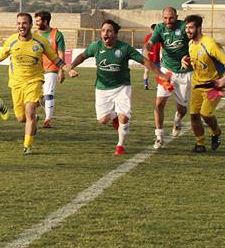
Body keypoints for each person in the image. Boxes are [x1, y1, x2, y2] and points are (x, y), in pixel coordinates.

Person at [67, 19, 168, 156]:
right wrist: (71, 67)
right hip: (102, 88)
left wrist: (160, 74)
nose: (105, 33)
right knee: (102, 120)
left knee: (124, 118)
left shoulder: (124, 48)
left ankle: (120, 146)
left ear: (115, 34)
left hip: (122, 87)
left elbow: (144, 60)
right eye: (103, 31)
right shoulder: (96, 46)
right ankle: (115, 115)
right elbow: (82, 56)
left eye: (109, 31)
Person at [0, 13, 70, 154]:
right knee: (21, 118)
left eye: (24, 23)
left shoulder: (41, 42)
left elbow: (55, 59)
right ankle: (34, 120)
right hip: (16, 83)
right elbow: (0, 56)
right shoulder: (12, 41)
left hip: (34, 81)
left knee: (30, 111)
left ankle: (27, 146)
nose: (21, 26)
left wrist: (68, 69)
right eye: (19, 23)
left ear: (31, 25)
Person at [183, 14, 225, 153]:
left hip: (212, 86)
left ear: (199, 28)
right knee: (194, 115)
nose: (188, 30)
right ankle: (200, 143)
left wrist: (223, 80)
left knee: (205, 114)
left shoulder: (210, 44)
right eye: (186, 27)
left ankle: (216, 132)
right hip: (197, 85)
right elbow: (196, 60)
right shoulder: (190, 44)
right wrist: (186, 60)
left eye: (191, 27)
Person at [145, 7, 192, 149]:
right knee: (159, 103)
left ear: (176, 17)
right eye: (165, 18)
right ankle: (159, 136)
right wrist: (147, 48)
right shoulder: (160, 28)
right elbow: (151, 42)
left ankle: (177, 121)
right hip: (167, 71)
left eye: (171, 18)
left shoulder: (184, 27)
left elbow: (194, 42)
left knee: (182, 109)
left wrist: (188, 57)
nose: (168, 21)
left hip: (185, 72)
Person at [34, 10, 66, 128]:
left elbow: (61, 53)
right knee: (38, 97)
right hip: (38, 69)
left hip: (52, 68)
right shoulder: (35, 34)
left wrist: (61, 70)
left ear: (45, 21)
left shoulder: (57, 34)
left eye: (38, 21)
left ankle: (48, 120)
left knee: (48, 94)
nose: (36, 23)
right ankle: (41, 114)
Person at [142, 23, 161, 89]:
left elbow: (145, 47)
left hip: (150, 58)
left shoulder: (148, 37)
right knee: (158, 73)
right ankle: (157, 86)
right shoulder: (159, 37)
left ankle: (146, 85)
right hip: (154, 58)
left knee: (147, 72)